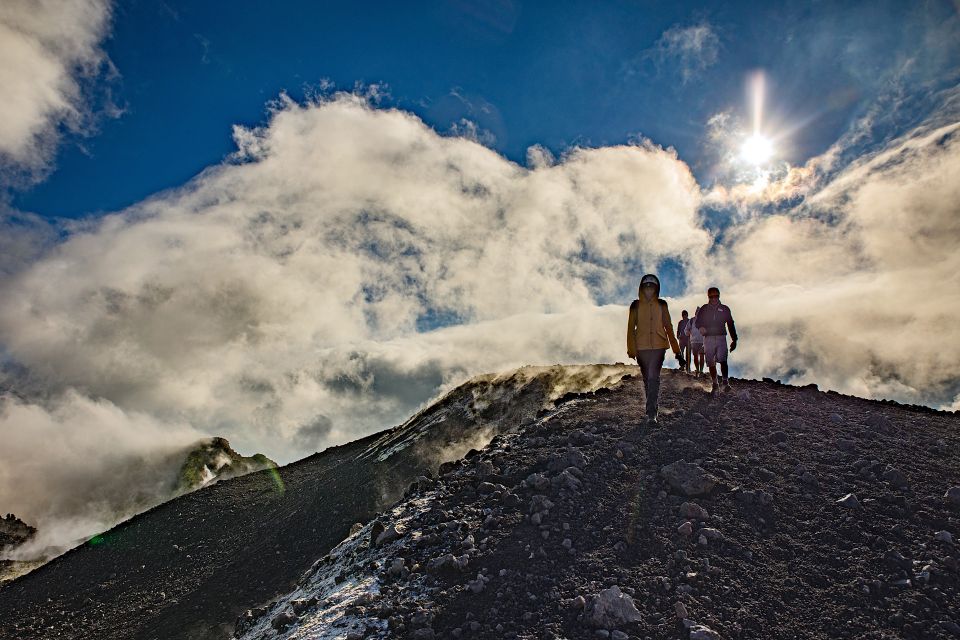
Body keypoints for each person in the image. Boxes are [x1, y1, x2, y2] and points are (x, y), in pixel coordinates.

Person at [626, 274, 685, 424]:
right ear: (642, 288)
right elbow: (630, 329)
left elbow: (669, 327)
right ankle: (651, 408)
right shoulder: (635, 305)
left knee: (653, 377)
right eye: (646, 286)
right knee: (647, 380)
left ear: (656, 288)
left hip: (659, 346)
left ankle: (651, 414)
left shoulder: (662, 304)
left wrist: (677, 351)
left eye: (652, 286)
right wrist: (631, 349)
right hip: (641, 347)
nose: (649, 289)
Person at [694, 286, 738, 395]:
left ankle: (725, 382)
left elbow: (730, 324)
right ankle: (715, 384)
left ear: (719, 296)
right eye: (711, 296)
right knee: (710, 361)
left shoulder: (725, 308)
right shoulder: (704, 308)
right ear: (708, 296)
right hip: (708, 338)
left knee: (723, 360)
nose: (714, 298)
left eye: (716, 296)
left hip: (721, 337)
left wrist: (734, 339)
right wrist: (700, 327)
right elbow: (697, 322)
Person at [687, 305, 705, 377]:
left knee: (702, 355)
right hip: (694, 341)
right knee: (695, 356)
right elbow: (686, 329)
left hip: (703, 341)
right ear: (695, 312)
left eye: (699, 311)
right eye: (697, 311)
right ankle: (697, 370)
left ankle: (701, 371)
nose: (698, 313)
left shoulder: (704, 320)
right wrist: (687, 332)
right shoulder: (691, 320)